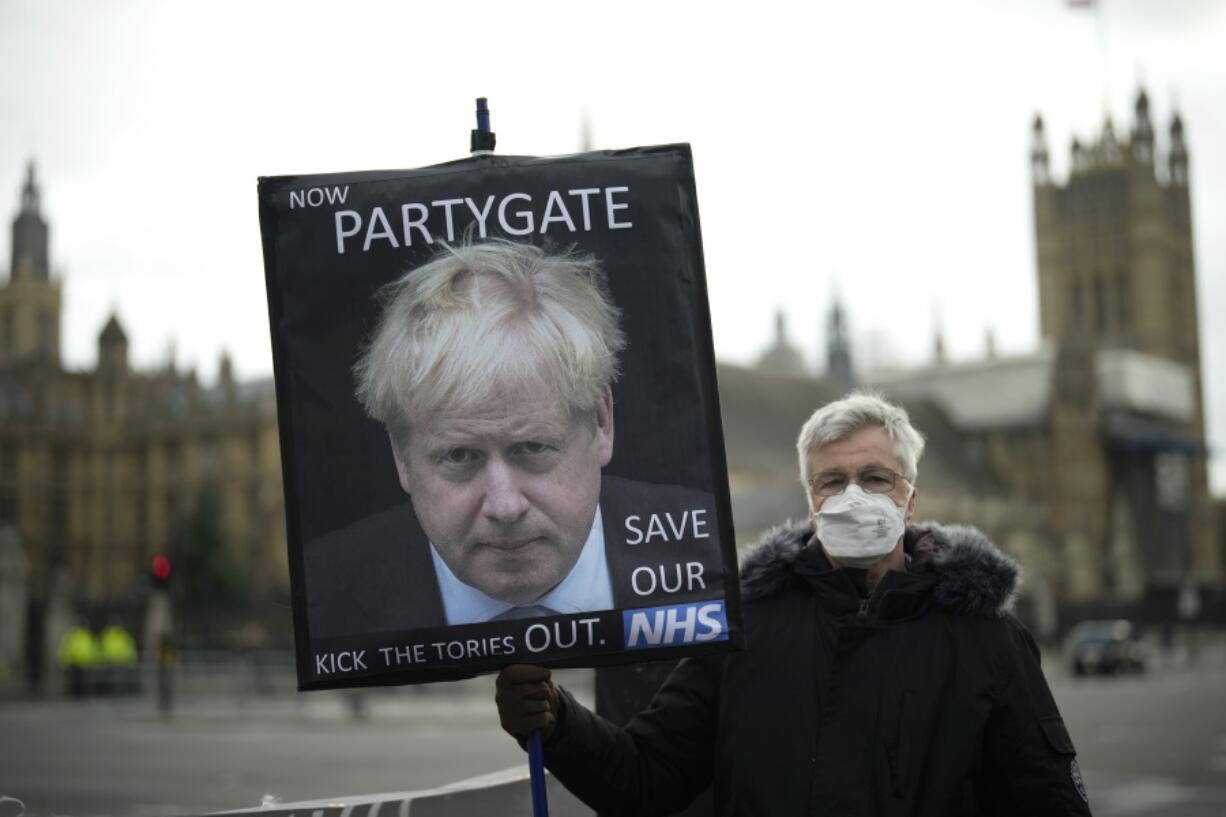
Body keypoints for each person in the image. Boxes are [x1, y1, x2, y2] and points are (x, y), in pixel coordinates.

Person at [496, 392, 1093, 816]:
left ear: (909, 499)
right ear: (811, 502)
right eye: (832, 481)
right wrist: (557, 719)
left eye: (876, 478)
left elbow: (1047, 800)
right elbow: (646, 777)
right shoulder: (746, 628)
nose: (853, 495)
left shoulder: (985, 638)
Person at [306, 240, 721, 636]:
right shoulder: (326, 595)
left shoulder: (708, 555)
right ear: (401, 455)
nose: (505, 507)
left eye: (532, 449)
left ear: (601, 422)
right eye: (460, 456)